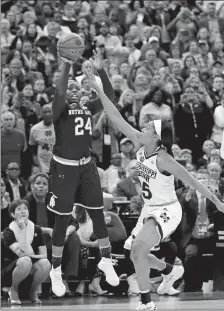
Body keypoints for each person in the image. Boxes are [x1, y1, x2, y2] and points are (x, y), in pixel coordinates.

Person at [85, 53, 224, 310]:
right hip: (150, 209)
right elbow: (115, 116)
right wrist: (98, 87)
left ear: (157, 138)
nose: (144, 128)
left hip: (167, 209)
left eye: (149, 128)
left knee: (138, 248)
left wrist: (217, 200)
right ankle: (169, 270)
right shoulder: (140, 142)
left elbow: (193, 181)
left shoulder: (165, 159)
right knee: (136, 252)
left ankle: (147, 303)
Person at [48, 49, 119, 297]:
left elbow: (110, 97)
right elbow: (58, 92)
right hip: (63, 168)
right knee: (61, 219)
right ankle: (55, 269)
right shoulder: (59, 108)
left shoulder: (88, 106)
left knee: (99, 215)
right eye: (70, 88)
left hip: (86, 165)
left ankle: (106, 261)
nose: (75, 90)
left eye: (77, 87)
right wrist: (67, 65)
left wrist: (101, 71)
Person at [2, 199, 51, 305]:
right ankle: (13, 289)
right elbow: (21, 253)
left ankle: (33, 291)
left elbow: (44, 255)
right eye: (19, 209)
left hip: (30, 265)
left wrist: (32, 256)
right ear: (12, 214)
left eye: (25, 209)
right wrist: (23, 229)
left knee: (45, 263)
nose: (23, 211)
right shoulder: (8, 231)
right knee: (25, 260)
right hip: (12, 268)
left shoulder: (37, 229)